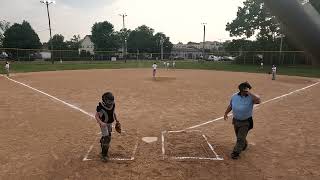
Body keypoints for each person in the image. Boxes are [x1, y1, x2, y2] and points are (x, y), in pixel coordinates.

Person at [224, 82, 261, 159]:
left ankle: (235, 153)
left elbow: (258, 101)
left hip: (246, 121)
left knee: (240, 138)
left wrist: (249, 93)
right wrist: (226, 113)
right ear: (241, 90)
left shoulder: (251, 97)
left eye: (248, 89)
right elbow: (231, 105)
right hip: (236, 120)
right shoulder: (234, 96)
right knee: (239, 136)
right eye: (245, 89)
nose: (246, 91)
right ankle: (244, 144)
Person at [95, 92, 121, 161]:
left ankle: (102, 139)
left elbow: (113, 113)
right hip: (103, 123)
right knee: (107, 139)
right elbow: (96, 116)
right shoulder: (101, 107)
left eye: (112, 101)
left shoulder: (112, 105)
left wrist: (117, 120)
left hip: (109, 123)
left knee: (108, 135)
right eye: (109, 101)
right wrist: (101, 122)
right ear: (105, 100)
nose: (111, 102)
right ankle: (104, 155)